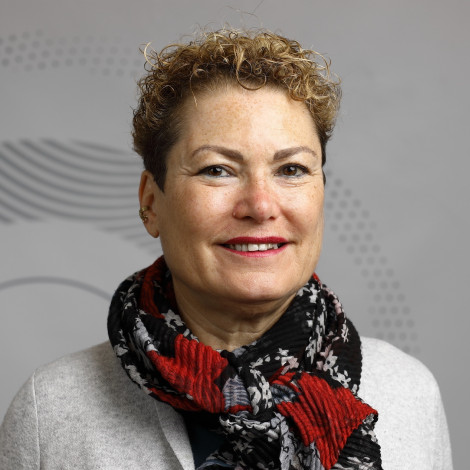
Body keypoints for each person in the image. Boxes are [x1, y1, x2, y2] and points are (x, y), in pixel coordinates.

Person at [0, 29, 452, 470]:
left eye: (291, 169)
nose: (260, 205)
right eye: (217, 170)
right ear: (151, 203)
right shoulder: (51, 411)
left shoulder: (408, 393)